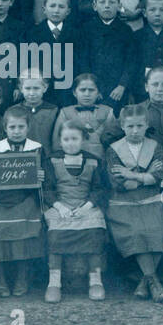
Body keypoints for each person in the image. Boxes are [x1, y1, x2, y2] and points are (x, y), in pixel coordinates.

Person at [105, 102, 163, 302]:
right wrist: (146, 176)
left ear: (146, 126)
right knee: (136, 231)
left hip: (152, 200)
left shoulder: (155, 146)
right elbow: (119, 183)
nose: (135, 130)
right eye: (130, 126)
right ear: (122, 126)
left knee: (157, 229)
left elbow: (161, 175)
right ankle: (154, 282)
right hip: (123, 202)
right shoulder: (114, 150)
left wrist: (132, 175)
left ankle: (146, 282)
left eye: (139, 126)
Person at [0, 106, 47, 299]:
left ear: (28, 127)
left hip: (25, 198)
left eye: (21, 127)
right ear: (5, 128)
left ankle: (22, 275)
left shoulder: (37, 148)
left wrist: (41, 176)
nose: (17, 131)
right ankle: (0, 277)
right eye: (12, 127)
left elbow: (44, 181)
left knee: (25, 224)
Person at [43, 120, 109, 303]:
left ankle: (95, 280)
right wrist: (60, 206)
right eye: (66, 139)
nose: (70, 143)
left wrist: (87, 206)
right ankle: (54, 283)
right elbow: (47, 189)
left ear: (83, 140)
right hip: (60, 204)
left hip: (86, 204)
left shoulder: (93, 161)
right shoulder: (51, 160)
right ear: (60, 141)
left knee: (95, 230)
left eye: (74, 139)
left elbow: (99, 189)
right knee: (55, 234)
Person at [80, 0, 136, 111]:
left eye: (111, 2)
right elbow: (83, 60)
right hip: (93, 88)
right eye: (102, 2)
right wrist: (92, 87)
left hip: (117, 89)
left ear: (119, 6)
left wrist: (122, 85)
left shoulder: (126, 30)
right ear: (94, 6)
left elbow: (131, 61)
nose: (107, 6)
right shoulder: (86, 29)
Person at [52, 74, 119, 161]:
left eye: (91, 90)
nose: (87, 94)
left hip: (101, 161)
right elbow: (57, 142)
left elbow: (114, 141)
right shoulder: (65, 112)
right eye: (82, 90)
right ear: (74, 93)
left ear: (98, 93)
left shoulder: (107, 111)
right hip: (72, 161)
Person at [12, 71, 60, 157]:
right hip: (21, 157)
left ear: (45, 88)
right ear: (21, 88)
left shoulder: (53, 110)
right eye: (28, 88)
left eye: (36, 88)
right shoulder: (13, 110)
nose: (32, 93)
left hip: (47, 157)